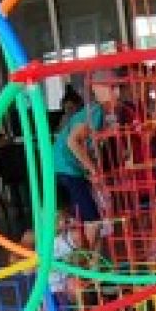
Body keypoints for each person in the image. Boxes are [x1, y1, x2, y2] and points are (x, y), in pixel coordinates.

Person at [51, 66, 120, 231]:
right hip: (66, 167)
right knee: (91, 218)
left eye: (118, 87)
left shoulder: (100, 112)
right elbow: (72, 142)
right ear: (96, 89)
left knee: (79, 216)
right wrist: (93, 170)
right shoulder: (95, 111)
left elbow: (90, 144)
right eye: (111, 87)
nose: (117, 92)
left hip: (65, 167)